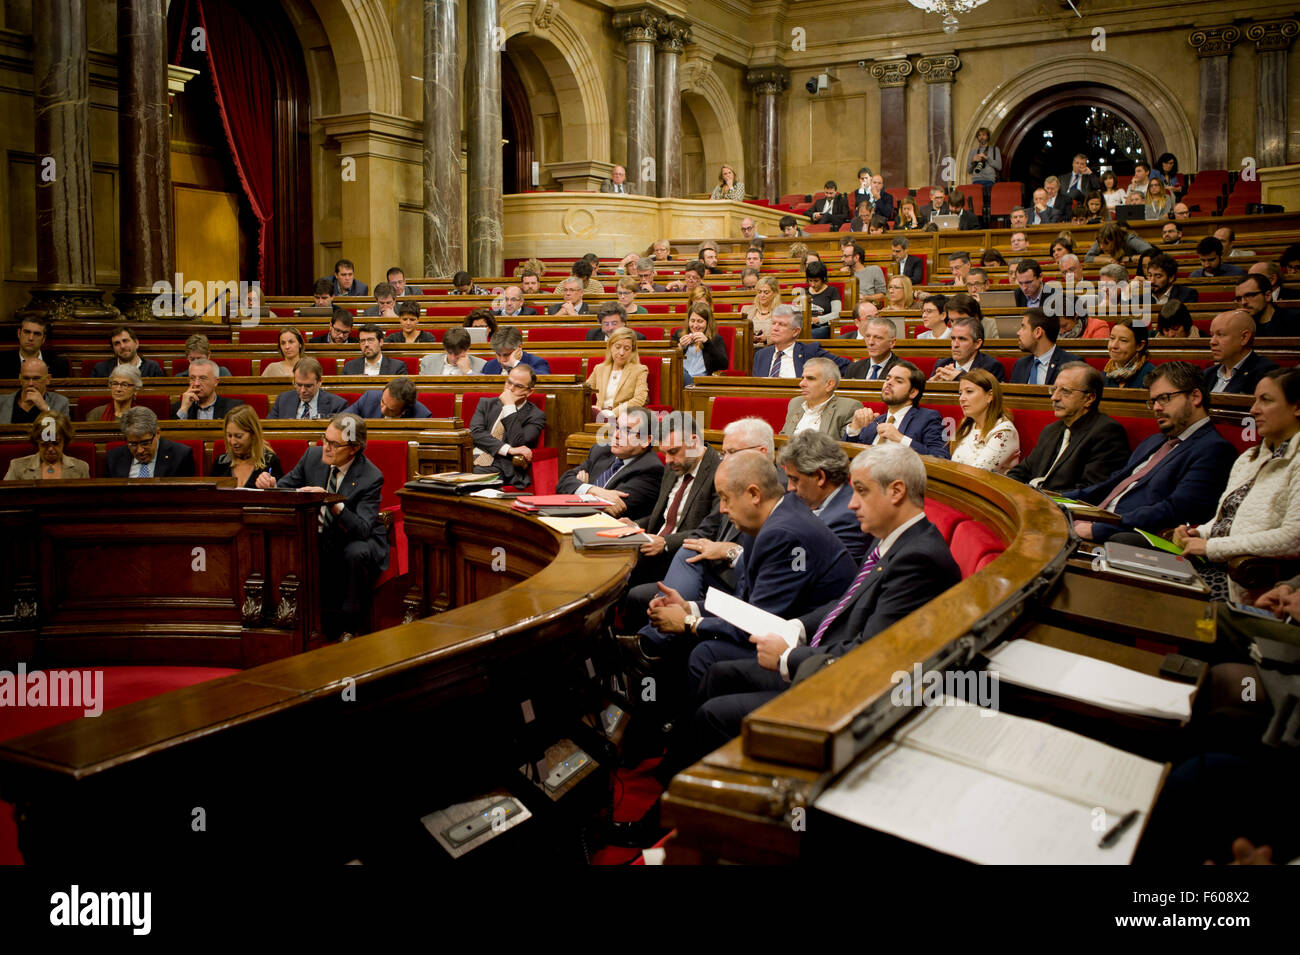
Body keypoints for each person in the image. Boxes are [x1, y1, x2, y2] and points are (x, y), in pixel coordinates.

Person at [690, 444, 961, 749]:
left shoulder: (918, 560)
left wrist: (788, 656)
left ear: (896, 491)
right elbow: (844, 604)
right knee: (718, 673)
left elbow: (870, 655)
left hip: (847, 689)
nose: (852, 504)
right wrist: (796, 628)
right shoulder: (892, 540)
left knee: (712, 715)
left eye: (861, 491)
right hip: (826, 657)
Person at [645, 450, 856, 671]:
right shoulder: (765, 519)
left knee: (705, 654)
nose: (723, 509)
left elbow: (759, 622)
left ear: (754, 494)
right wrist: (689, 608)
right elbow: (745, 602)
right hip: (780, 622)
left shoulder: (784, 534)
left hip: (816, 648)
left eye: (725, 498)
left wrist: (689, 622)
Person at [1065, 361, 1238, 543]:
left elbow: (1175, 510)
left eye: (1164, 398)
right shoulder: (1154, 441)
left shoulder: (1214, 449)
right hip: (1092, 520)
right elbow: (1110, 486)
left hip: (1124, 538)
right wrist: (1059, 500)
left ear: (1195, 396)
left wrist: (1099, 528)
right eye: (1153, 401)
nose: (1156, 408)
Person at [1172, 368, 1300, 602]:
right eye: (1254, 400)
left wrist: (1210, 547)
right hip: (1209, 564)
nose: (1254, 410)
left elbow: (1294, 538)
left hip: (1241, 579)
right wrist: (1196, 532)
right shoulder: (1250, 457)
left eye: (1266, 400)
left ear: (1297, 407)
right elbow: (1227, 519)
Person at [261, 412, 387, 640]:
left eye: (333, 444)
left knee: (356, 552)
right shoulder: (312, 456)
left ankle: (349, 625)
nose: (326, 447)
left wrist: (331, 501)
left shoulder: (371, 477)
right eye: (324, 439)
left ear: (354, 448)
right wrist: (271, 485)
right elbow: (285, 487)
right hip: (314, 532)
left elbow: (362, 529)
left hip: (350, 538)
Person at [625, 411, 723, 586]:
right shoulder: (674, 466)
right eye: (664, 453)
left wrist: (666, 543)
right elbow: (665, 517)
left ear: (694, 441)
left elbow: (711, 531)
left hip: (684, 556)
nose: (668, 460)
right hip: (654, 548)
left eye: (673, 451)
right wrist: (636, 526)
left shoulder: (719, 473)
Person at [1008, 362, 1131, 491]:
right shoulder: (1051, 430)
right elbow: (1021, 472)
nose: (1054, 397)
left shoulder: (1107, 432)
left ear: (1089, 398)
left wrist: (1037, 499)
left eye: (1065, 392)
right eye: (1054, 389)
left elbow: (1090, 490)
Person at [777, 431, 872, 562]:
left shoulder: (849, 518)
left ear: (820, 477)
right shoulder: (799, 500)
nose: (790, 488)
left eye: (795, 479)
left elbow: (799, 568)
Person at [556, 407, 663, 521]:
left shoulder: (651, 470)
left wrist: (580, 488)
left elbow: (611, 508)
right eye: (617, 427)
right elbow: (563, 483)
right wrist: (593, 490)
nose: (616, 435)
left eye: (627, 431)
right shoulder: (601, 451)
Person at [845, 361, 951, 458]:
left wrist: (900, 438)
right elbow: (845, 457)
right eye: (887, 378)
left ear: (913, 392)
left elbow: (941, 456)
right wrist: (854, 429)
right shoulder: (874, 421)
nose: (889, 383)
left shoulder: (928, 418)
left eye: (899, 381)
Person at [470, 364, 547, 487]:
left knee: (472, 477)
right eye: (509, 382)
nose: (510, 389)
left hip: (501, 465)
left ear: (529, 392)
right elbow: (475, 433)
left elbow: (518, 442)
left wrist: (509, 407)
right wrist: (508, 449)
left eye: (518, 386)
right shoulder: (486, 404)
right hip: (470, 458)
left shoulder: (536, 416)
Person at [950, 369, 1020, 474]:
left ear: (989, 395)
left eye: (969, 391)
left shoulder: (1004, 431)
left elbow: (977, 473)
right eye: (960, 393)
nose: (961, 398)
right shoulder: (967, 425)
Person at [753, 307, 850, 377]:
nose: (775, 328)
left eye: (781, 325)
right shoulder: (761, 355)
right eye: (773, 323)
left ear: (795, 331)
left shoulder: (810, 352)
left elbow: (848, 367)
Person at [1204, 309, 1279, 395]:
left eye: (1220, 334)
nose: (1212, 342)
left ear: (1244, 337)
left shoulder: (1265, 373)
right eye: (1212, 335)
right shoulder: (1208, 374)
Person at [105, 407, 196, 477]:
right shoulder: (114, 457)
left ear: (157, 433)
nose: (140, 450)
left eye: (145, 443)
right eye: (133, 444)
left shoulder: (180, 455)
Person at [781, 357, 860, 437]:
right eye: (802, 378)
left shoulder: (847, 408)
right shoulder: (795, 403)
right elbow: (783, 438)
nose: (801, 384)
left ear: (829, 384)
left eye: (810, 378)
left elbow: (846, 445)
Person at [3, 411, 89, 481]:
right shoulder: (17, 467)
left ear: (64, 441)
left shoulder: (81, 468)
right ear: (37, 441)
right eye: (45, 444)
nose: (50, 449)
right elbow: (5, 499)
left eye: (56, 443)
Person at [586, 327, 648, 421]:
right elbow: (584, 392)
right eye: (618, 347)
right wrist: (593, 409)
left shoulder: (639, 370)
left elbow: (640, 398)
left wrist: (614, 413)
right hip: (598, 418)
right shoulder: (599, 369)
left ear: (632, 350)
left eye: (626, 348)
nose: (621, 352)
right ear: (610, 346)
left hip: (623, 419)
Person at [211, 405, 281, 488]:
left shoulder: (270, 461)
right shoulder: (220, 462)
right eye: (229, 436)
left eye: (238, 436)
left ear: (253, 434)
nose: (233, 442)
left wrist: (272, 486)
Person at [1011, 308, 1082, 386]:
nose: (1018, 332)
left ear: (1038, 332)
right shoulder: (1020, 365)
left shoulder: (1071, 364)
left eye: (1023, 327)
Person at [268, 358, 348, 420]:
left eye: (308, 386)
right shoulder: (282, 400)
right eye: (298, 385)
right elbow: (269, 431)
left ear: (319, 382)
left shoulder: (337, 405)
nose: (302, 390)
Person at [931, 316, 1006, 382]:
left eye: (962, 339)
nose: (955, 345)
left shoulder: (990, 366)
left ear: (977, 344)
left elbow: (985, 393)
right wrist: (930, 384)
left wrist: (958, 377)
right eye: (953, 339)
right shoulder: (941, 364)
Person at [673, 302, 728, 386]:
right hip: (679, 381)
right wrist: (680, 348)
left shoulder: (715, 339)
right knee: (677, 371)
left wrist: (707, 343)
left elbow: (723, 365)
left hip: (701, 382)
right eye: (692, 321)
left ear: (707, 323)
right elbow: (668, 361)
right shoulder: (678, 334)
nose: (695, 325)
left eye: (700, 321)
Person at [0, 358, 70, 423]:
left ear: (47, 379)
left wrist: (44, 408)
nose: (30, 383)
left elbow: (64, 432)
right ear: (20, 380)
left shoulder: (60, 402)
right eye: (26, 378)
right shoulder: (2, 402)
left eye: (36, 378)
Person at [172, 359, 244, 420]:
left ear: (216, 382)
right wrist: (184, 409)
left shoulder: (234, 407)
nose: (196, 384)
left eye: (203, 378)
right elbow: (172, 435)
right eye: (192, 378)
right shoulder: (179, 408)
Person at [1103, 317, 1158, 389]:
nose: (1114, 346)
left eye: (1123, 340)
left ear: (1140, 345)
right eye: (1112, 338)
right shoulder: (1105, 373)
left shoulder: (1152, 376)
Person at [843, 316, 902, 381]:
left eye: (878, 337)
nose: (870, 342)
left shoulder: (903, 370)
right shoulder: (853, 368)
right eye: (868, 336)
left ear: (892, 343)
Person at [92, 326, 164, 378]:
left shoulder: (152, 367)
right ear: (113, 348)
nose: (122, 346)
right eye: (117, 343)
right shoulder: (101, 369)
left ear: (136, 343)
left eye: (125, 341)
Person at [346, 376, 432, 419]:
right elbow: (344, 419)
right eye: (383, 402)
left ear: (404, 410)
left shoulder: (422, 415)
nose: (382, 410)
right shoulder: (369, 397)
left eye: (391, 410)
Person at [481, 327, 552, 376]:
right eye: (498, 354)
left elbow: (543, 381)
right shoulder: (489, 366)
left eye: (506, 355)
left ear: (519, 347)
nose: (502, 360)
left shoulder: (537, 363)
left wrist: (515, 363)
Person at [341, 324, 407, 375]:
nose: (366, 344)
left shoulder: (397, 367)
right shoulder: (349, 367)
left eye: (370, 340)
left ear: (381, 342)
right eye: (363, 341)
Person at [417, 327, 486, 375]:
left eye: (457, 353)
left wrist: (468, 371)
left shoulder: (481, 365)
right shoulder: (428, 361)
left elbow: (483, 390)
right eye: (449, 353)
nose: (453, 358)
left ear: (467, 349)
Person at [803, 260, 841, 338]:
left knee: (810, 335)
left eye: (816, 281)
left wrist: (818, 319)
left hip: (823, 327)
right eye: (810, 281)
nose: (813, 284)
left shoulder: (832, 291)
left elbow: (837, 313)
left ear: (823, 278)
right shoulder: (804, 291)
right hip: (805, 326)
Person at [1085, 221, 1154, 265]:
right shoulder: (1102, 238)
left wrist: (1130, 259)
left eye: (1106, 243)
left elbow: (1153, 253)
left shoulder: (1129, 239)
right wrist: (1109, 260)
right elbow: (1088, 258)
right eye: (1100, 243)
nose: (1101, 247)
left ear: (1116, 240)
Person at [969, 126, 1001, 213]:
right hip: (976, 182)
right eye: (979, 135)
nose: (981, 137)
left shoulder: (995, 150)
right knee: (977, 209)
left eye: (983, 135)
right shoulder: (973, 151)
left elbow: (999, 166)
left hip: (990, 182)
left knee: (990, 209)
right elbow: (968, 170)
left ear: (988, 136)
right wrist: (973, 161)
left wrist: (986, 158)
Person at [742, 275, 780, 346]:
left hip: (771, 350)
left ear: (775, 293)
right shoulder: (746, 310)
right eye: (759, 292)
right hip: (749, 350)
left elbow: (785, 335)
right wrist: (750, 337)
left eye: (766, 292)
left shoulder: (782, 312)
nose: (762, 295)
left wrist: (767, 339)